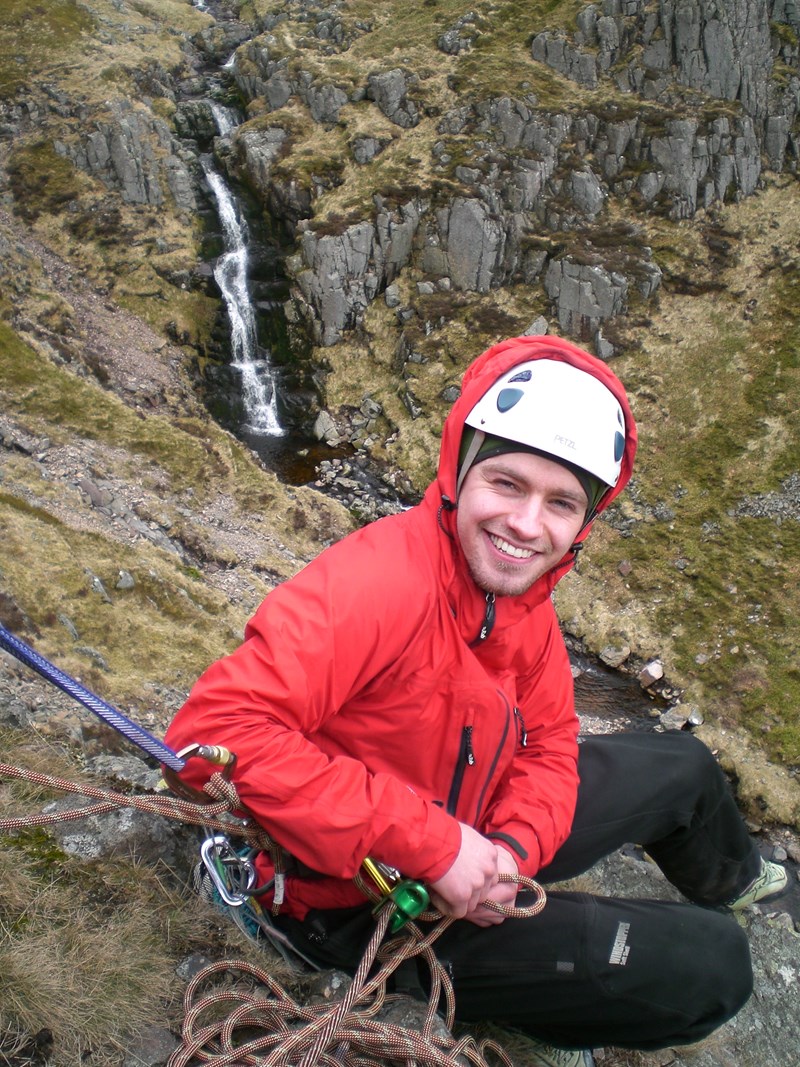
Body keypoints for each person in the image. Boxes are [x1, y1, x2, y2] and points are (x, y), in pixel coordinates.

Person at [165, 335, 787, 1067]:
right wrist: (438, 847)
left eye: (560, 503)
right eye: (508, 484)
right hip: (352, 900)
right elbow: (208, 739)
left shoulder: (525, 607)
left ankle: (743, 882)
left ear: (581, 527)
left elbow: (552, 745)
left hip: (466, 829)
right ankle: (538, 1016)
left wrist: (510, 855)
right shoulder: (377, 583)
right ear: (460, 473)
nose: (527, 525)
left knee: (682, 764)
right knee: (714, 967)